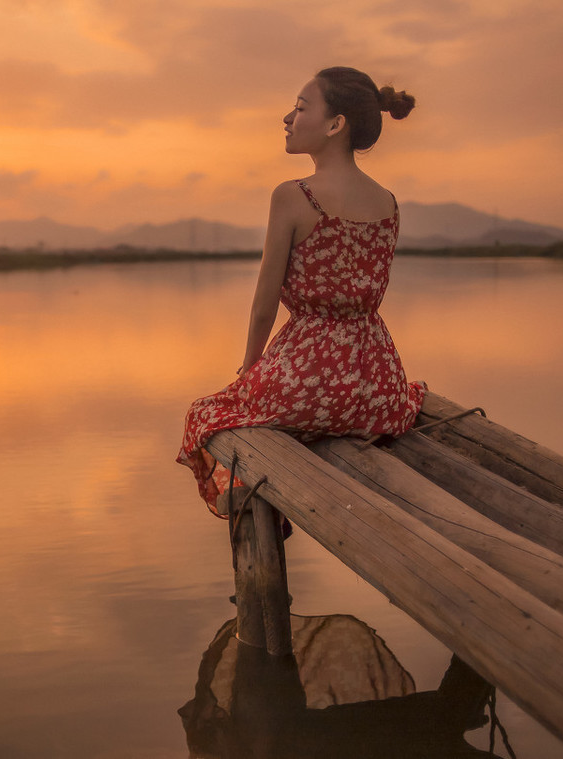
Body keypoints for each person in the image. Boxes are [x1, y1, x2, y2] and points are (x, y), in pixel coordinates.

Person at [177, 67, 425, 516]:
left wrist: (249, 372)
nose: (288, 118)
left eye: (301, 107)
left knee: (206, 413)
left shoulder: (294, 196)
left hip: (308, 382)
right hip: (378, 385)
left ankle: (254, 505)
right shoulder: (388, 201)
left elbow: (262, 308)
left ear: (336, 125)